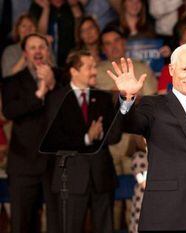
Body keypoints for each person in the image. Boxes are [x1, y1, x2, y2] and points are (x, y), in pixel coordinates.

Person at [107, 43, 186, 232]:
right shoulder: (153, 105)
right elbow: (128, 124)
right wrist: (127, 98)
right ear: (171, 69)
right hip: (165, 214)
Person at [43, 50, 121, 233]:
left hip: (102, 177)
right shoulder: (56, 99)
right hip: (70, 179)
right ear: (74, 71)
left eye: (94, 66)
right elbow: (53, 138)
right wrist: (86, 138)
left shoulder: (104, 98)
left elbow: (115, 134)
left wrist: (99, 135)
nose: (95, 71)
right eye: (89, 67)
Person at [1, 33, 61, 233]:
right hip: (23, 163)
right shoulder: (13, 81)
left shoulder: (61, 77)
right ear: (25, 53)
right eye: (32, 47)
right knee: (22, 223)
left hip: (54, 162)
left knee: (57, 222)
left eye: (42, 47)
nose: (37, 51)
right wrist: (38, 95)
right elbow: (9, 111)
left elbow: (71, 109)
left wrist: (52, 85)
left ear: (47, 51)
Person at [97, 26, 158, 95]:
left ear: (124, 42)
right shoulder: (97, 71)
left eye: (116, 40)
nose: (114, 46)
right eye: (108, 43)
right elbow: (108, 99)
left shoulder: (142, 68)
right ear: (103, 49)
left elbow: (151, 99)